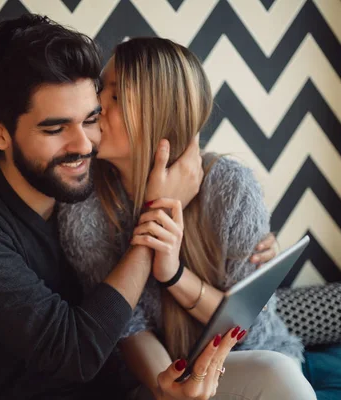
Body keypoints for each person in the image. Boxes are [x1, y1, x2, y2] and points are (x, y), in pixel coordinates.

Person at [0, 15, 280, 400]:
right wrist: (157, 216)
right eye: (55, 129)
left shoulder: (86, 192)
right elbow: (76, 352)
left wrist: (248, 242)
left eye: (91, 118)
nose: (83, 144)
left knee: (276, 376)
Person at [58, 38, 317, 399]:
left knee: (277, 374)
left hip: (245, 364)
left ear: (158, 113)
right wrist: (171, 390)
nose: (95, 104)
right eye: (101, 89)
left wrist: (174, 275)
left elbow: (253, 330)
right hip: (154, 379)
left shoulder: (230, 187)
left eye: (115, 96)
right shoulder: (81, 208)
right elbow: (124, 327)